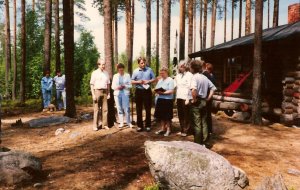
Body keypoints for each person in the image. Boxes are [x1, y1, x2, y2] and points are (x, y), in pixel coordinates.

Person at [190, 60, 216, 145]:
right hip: (204, 101)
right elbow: (213, 88)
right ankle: (205, 142)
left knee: (197, 124)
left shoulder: (194, 77)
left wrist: (194, 100)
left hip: (197, 101)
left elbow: (194, 90)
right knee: (204, 122)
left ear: (193, 68)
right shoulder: (204, 77)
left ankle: (198, 143)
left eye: (190, 67)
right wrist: (208, 98)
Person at [131, 57, 155, 132]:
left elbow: (154, 79)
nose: (143, 64)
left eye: (144, 62)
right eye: (141, 63)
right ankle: (140, 126)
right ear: (138, 63)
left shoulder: (149, 70)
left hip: (147, 91)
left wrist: (148, 81)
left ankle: (148, 125)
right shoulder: (135, 71)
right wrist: (139, 82)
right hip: (138, 91)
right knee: (139, 109)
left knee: (148, 109)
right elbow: (131, 81)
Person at [90, 59, 111, 131]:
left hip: (105, 91)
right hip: (97, 91)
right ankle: (95, 125)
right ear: (98, 65)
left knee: (105, 109)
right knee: (96, 109)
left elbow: (108, 84)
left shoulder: (106, 73)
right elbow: (92, 84)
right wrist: (93, 95)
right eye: (102, 64)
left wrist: (108, 93)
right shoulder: (94, 73)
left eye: (104, 64)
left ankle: (104, 125)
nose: (103, 66)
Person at [154, 67, 175, 136]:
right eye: (160, 73)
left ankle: (168, 129)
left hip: (167, 100)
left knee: (167, 116)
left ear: (166, 72)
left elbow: (171, 91)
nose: (161, 74)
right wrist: (156, 91)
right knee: (161, 115)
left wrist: (163, 93)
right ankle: (163, 129)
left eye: (162, 73)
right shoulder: (160, 80)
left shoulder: (170, 80)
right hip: (160, 99)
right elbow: (156, 88)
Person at [175, 60, 193, 137]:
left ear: (185, 66)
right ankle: (182, 129)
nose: (180, 68)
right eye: (179, 66)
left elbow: (190, 87)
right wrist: (176, 98)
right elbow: (176, 87)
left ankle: (187, 130)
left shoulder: (189, 75)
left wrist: (188, 99)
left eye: (181, 66)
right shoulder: (178, 75)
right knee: (180, 114)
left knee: (186, 114)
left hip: (186, 97)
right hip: (179, 96)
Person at [111, 63, 133, 128]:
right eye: (120, 70)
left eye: (122, 70)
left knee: (126, 108)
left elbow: (130, 85)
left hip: (125, 93)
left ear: (124, 69)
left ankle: (129, 122)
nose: (121, 71)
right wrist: (118, 87)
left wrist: (125, 86)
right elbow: (112, 87)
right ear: (118, 70)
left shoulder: (127, 75)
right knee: (119, 108)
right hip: (117, 94)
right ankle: (121, 122)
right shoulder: (115, 76)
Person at [202, 62, 216, 134]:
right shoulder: (211, 75)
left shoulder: (207, 75)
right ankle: (209, 130)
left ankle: (208, 130)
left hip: (207, 96)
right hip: (209, 96)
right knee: (208, 114)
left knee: (206, 114)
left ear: (207, 68)